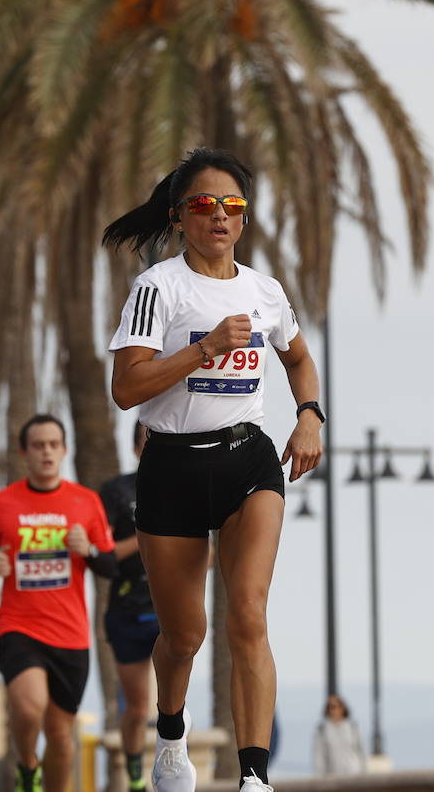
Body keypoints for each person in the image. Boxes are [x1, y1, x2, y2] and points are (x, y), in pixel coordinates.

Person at [104, 147, 324, 792]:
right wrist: (204, 349)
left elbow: (299, 359)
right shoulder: (158, 288)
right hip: (172, 466)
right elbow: (127, 387)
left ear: (245, 218)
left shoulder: (265, 291)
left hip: (247, 459)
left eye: (233, 206)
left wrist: (309, 415)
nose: (220, 216)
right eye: (205, 205)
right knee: (183, 635)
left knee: (249, 615)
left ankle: (254, 777)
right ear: (179, 217)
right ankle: (170, 735)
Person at [0, 414, 118, 792]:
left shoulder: (85, 502)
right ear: (25, 452)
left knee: (60, 736)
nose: (47, 452)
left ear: (65, 450)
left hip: (70, 635)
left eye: (54, 444)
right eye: (38, 445)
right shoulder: (2, 503)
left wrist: (86, 549)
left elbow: (109, 564)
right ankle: (26, 765)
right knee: (28, 705)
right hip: (18, 626)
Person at [99, 422, 158, 791]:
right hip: (127, 609)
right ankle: (136, 778)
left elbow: (208, 555)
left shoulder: (187, 488)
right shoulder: (115, 492)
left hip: (170, 610)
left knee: (172, 704)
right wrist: (143, 537)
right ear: (136, 448)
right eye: (148, 440)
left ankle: (173, 767)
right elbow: (102, 556)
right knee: (137, 708)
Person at [312, 694, 364, 777]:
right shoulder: (322, 729)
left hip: (353, 774)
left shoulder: (352, 727)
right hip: (332, 775)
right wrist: (321, 776)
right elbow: (319, 756)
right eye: (331, 707)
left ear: (343, 708)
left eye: (337, 706)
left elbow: (360, 751)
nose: (334, 710)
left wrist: (363, 772)